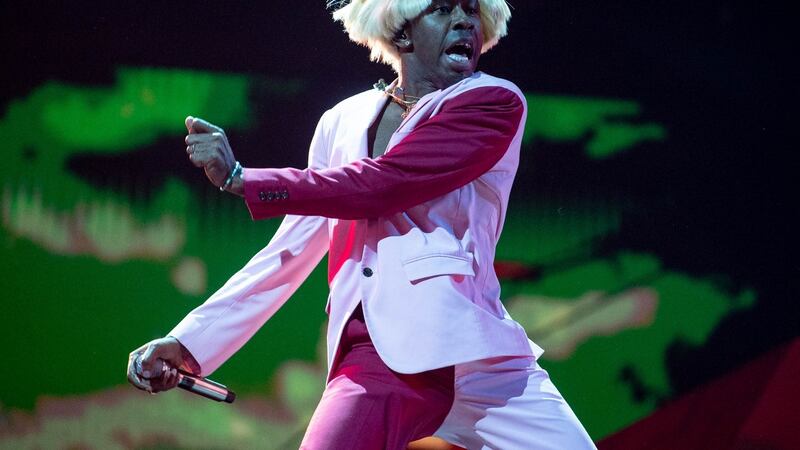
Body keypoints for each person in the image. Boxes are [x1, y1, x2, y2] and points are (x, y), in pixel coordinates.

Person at [127, 1, 596, 448]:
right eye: (442, 8)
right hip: (375, 354)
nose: (464, 21)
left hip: (479, 355)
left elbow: (384, 183)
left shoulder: (493, 102)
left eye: (472, 9)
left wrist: (242, 179)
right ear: (401, 26)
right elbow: (287, 252)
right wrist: (189, 345)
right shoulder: (341, 121)